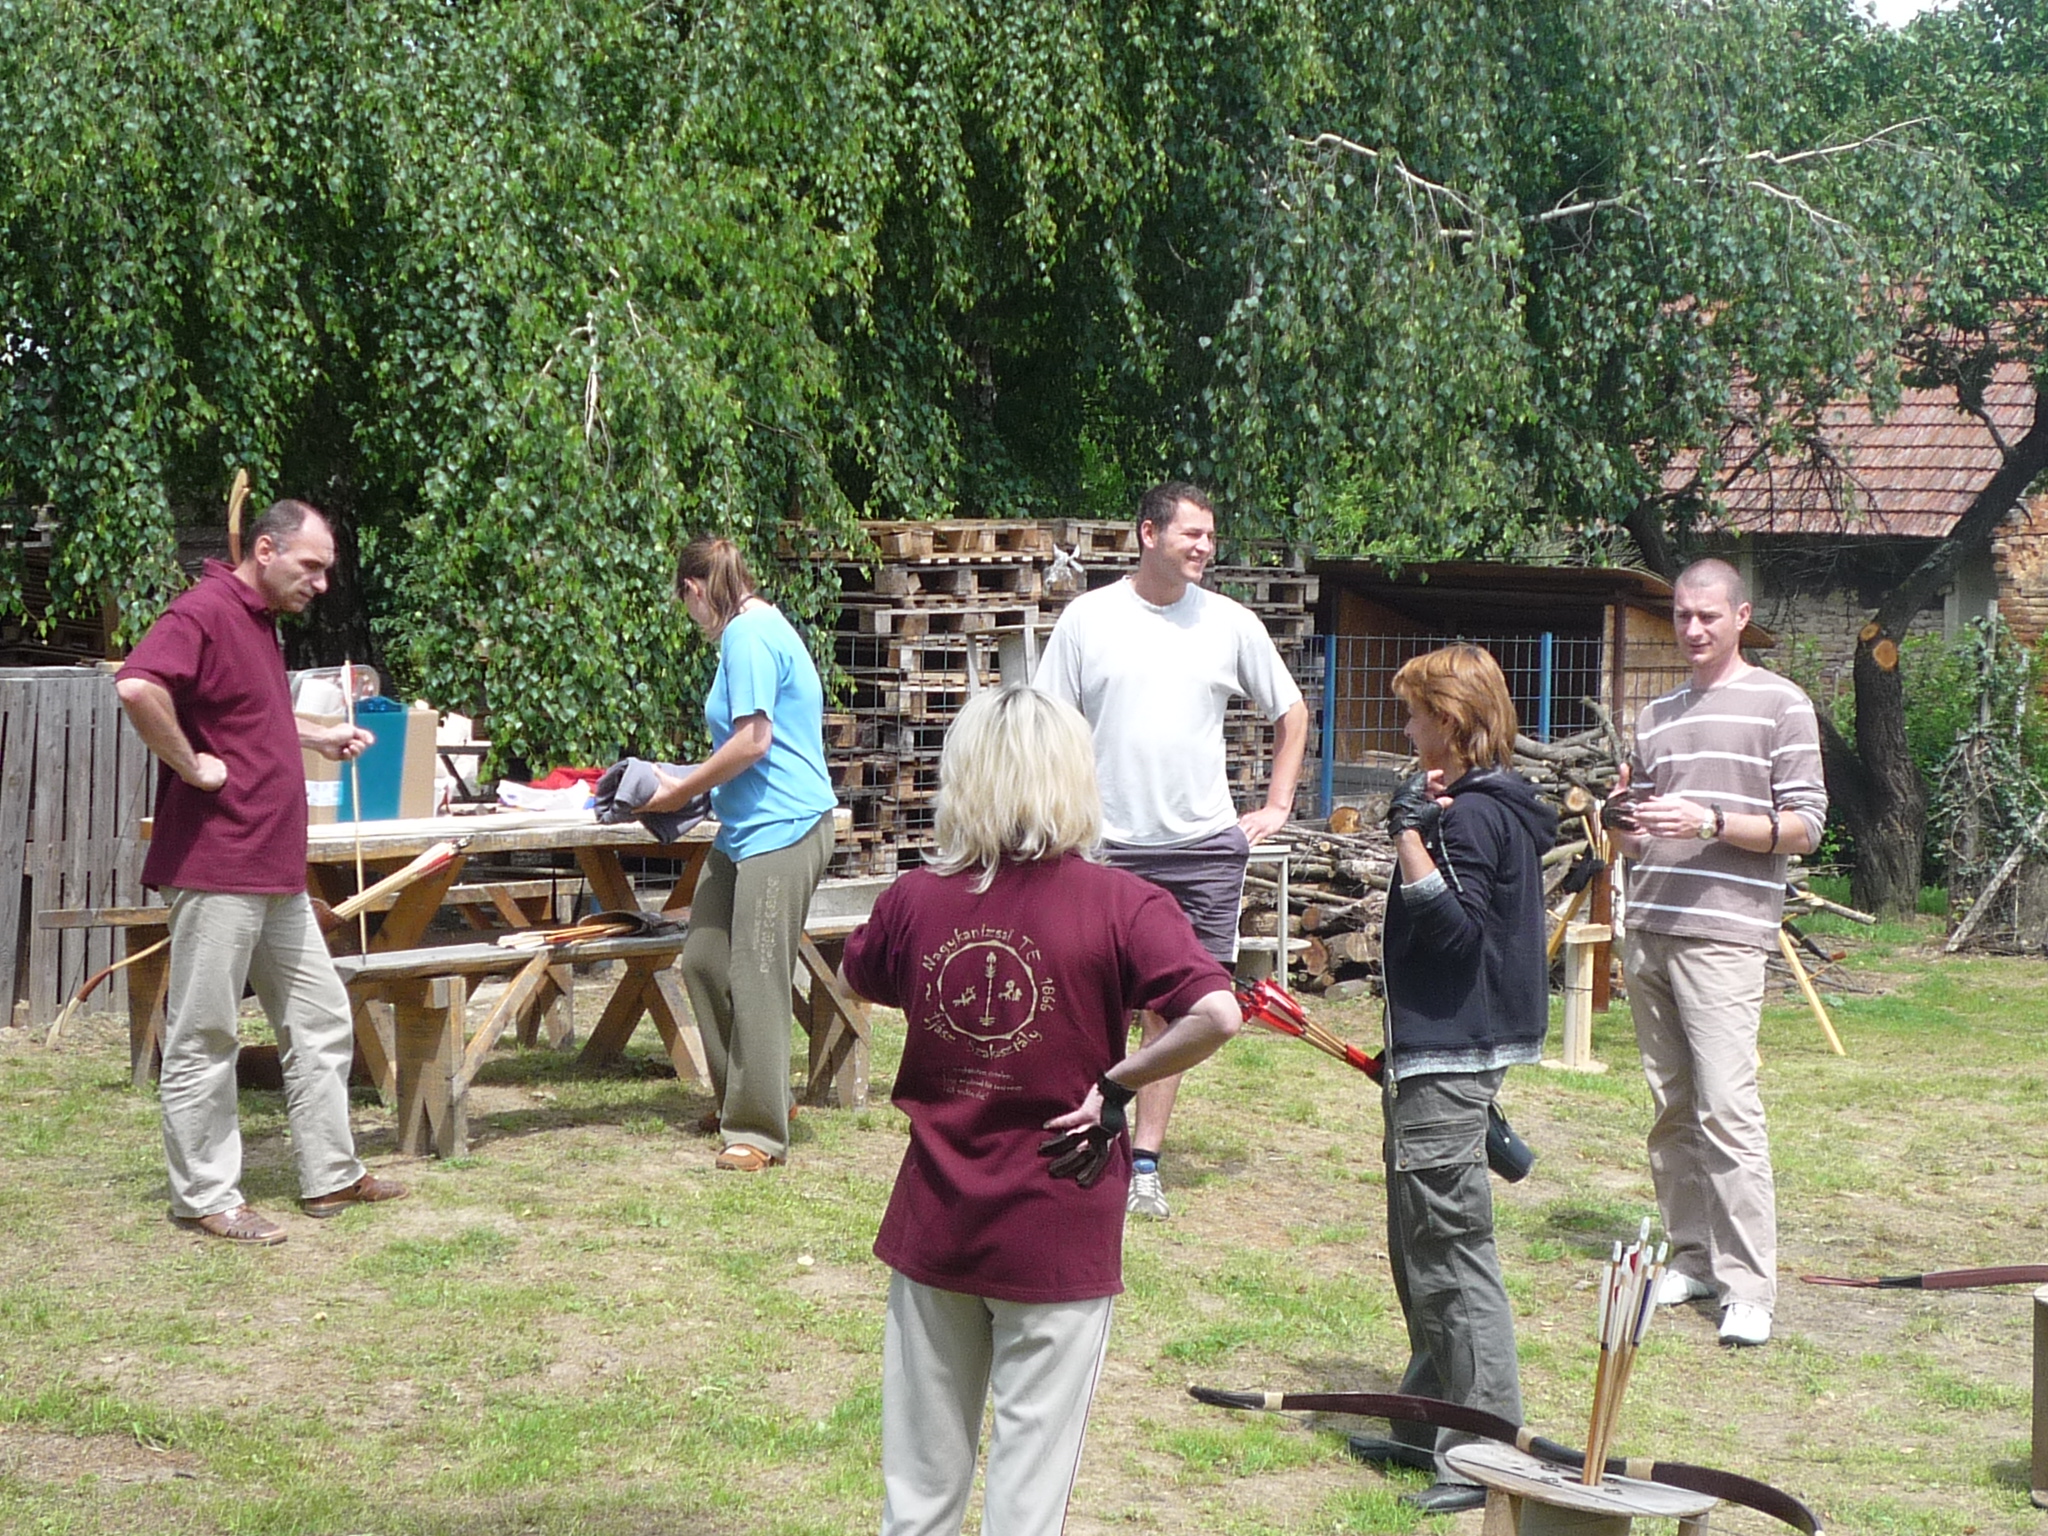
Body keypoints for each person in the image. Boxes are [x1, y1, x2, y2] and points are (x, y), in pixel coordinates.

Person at [840, 685, 1241, 1536]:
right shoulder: (1123, 904)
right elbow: (1216, 1013)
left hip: (936, 1220)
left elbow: (856, 974)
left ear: (964, 778)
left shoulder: (915, 900)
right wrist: (1119, 1084)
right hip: (1060, 1221)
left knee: (917, 1496)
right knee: (1028, 1504)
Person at [112, 499, 406, 1246]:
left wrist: (318, 734)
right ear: (266, 550)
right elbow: (138, 687)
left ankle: (330, 1174)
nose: (321, 584)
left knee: (320, 1018)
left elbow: (248, 714)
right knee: (206, 1032)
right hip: (217, 862)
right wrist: (191, 766)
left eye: (326, 571)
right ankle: (205, 1196)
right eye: (311, 567)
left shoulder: (258, 621)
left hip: (273, 869)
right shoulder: (205, 610)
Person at [1033, 481, 1308, 1218]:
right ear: (1148, 534)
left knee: (1176, 1012)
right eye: (1193, 533)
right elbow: (1046, 726)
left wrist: (1277, 807)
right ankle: (1090, 1139)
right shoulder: (1088, 620)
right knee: (1095, 1006)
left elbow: (1291, 712)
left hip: (1200, 849)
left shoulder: (1230, 623)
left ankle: (1146, 1166)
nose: (1205, 547)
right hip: (1103, 847)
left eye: (1211, 536)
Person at [1340, 645, 1554, 1515]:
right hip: (1445, 1048)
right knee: (1418, 1242)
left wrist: (1407, 834)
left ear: (1451, 723)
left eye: (1414, 715)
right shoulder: (1485, 807)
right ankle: (1424, 1423)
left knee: (1451, 1250)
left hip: (1453, 1053)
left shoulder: (1471, 818)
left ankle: (1483, 1451)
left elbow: (1458, 936)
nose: (1404, 729)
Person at [1608, 558, 1827, 1348]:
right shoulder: (1656, 715)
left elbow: (1805, 827)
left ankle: (1749, 1287)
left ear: (1741, 616)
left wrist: (1712, 822)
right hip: (1650, 928)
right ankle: (1694, 1257)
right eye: (1682, 615)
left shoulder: (1782, 703)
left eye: (1707, 615)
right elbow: (1640, 834)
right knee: (1671, 1109)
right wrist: (1622, 821)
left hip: (1726, 935)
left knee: (1726, 1110)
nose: (1692, 629)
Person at [638, 537, 837, 1172]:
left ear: (694, 590)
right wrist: (689, 782)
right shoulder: (752, 630)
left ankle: (759, 1130)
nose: (690, 615)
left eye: (685, 603)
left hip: (785, 827)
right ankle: (751, 1096)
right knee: (703, 960)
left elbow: (754, 741)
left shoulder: (748, 635)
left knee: (756, 973)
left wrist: (678, 791)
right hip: (743, 829)